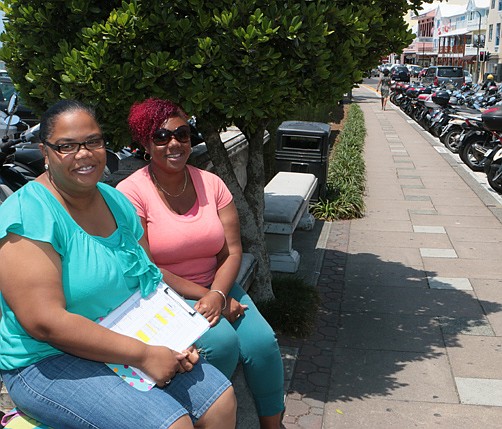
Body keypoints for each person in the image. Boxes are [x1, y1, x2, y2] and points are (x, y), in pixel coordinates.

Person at [0, 100, 236, 429]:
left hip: (127, 336)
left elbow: (148, 279)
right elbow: (44, 322)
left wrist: (176, 337)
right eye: (67, 146)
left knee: (221, 401)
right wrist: (144, 355)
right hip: (47, 360)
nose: (83, 154)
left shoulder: (116, 202)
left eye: (93, 141)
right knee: (172, 425)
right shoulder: (29, 214)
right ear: (45, 151)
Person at [116, 98, 285, 429]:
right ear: (145, 143)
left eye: (183, 133)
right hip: (163, 294)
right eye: (162, 137)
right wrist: (210, 299)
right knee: (221, 343)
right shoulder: (131, 193)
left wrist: (219, 295)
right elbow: (146, 266)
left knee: (263, 343)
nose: (175, 143)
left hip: (216, 284)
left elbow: (232, 251)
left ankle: (272, 424)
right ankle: (204, 415)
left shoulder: (212, 184)